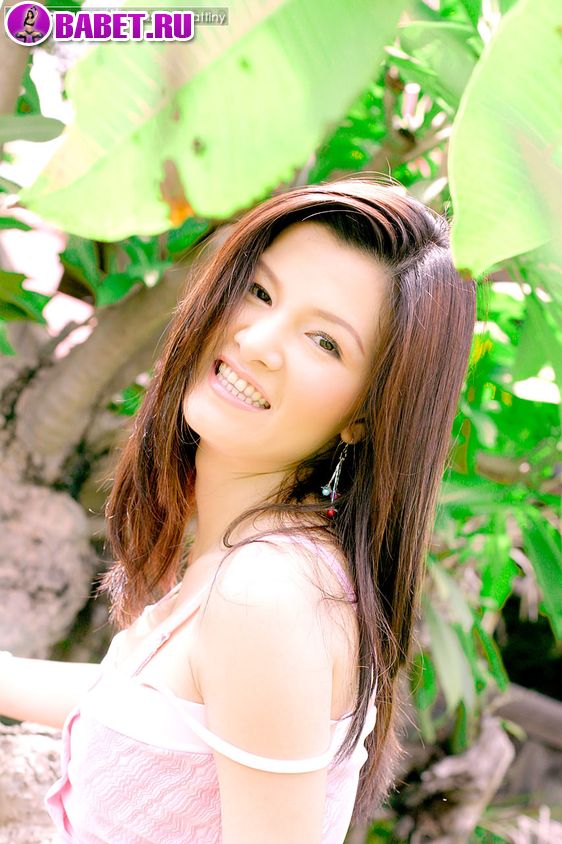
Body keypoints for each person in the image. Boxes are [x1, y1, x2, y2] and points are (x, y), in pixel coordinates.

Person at [0, 179, 476, 843]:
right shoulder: (260, 554)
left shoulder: (269, 594)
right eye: (259, 292)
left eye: (324, 341)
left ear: (368, 414)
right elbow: (151, 712)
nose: (256, 340)